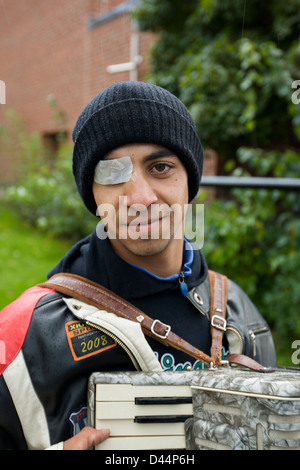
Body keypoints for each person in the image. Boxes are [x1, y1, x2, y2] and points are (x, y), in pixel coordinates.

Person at [0, 81, 276, 450]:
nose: (141, 198)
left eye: (160, 167)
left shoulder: (240, 314)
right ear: (92, 193)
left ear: (189, 181)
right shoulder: (23, 336)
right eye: (113, 174)